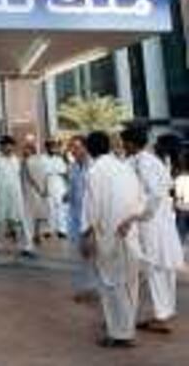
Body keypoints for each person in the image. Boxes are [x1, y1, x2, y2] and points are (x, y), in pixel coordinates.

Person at [81, 131, 145, 348]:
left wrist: (88, 235)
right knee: (129, 285)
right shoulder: (125, 167)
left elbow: (93, 206)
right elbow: (140, 199)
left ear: (89, 149)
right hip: (130, 232)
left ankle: (119, 334)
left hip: (108, 235)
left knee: (111, 286)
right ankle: (126, 330)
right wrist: (130, 220)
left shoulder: (95, 171)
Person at [120, 127, 184, 334]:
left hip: (152, 222)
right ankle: (163, 312)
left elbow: (156, 193)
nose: (122, 146)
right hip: (158, 220)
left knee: (155, 267)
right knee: (161, 268)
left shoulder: (145, 162)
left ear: (130, 143)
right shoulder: (147, 160)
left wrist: (141, 214)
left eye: (124, 142)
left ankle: (160, 315)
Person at [0, 136, 35, 257]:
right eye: (7, 145)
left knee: (20, 220)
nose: (10, 148)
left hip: (15, 195)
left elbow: (21, 176)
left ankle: (27, 246)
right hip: (0, 195)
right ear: (2, 146)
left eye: (11, 145)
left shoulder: (16, 160)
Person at [66, 135, 97, 303]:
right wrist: (67, 195)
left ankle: (95, 288)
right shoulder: (72, 168)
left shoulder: (95, 167)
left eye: (77, 147)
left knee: (94, 254)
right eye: (71, 147)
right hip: (77, 216)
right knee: (83, 254)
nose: (73, 151)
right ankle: (89, 288)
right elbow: (72, 190)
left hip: (93, 217)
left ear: (85, 147)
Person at [21, 142, 51, 243]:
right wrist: (45, 189)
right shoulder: (40, 160)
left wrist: (40, 189)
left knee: (30, 214)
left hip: (31, 190)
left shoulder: (27, 161)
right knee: (37, 213)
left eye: (26, 149)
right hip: (40, 190)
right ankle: (36, 233)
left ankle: (33, 234)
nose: (24, 151)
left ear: (30, 150)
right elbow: (46, 175)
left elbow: (30, 178)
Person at [45, 139, 70, 238]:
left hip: (59, 184)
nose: (53, 149)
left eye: (54, 147)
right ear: (46, 148)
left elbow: (65, 173)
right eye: (51, 147)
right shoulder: (43, 159)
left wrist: (67, 187)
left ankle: (62, 230)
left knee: (61, 206)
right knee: (49, 207)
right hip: (48, 183)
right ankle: (50, 229)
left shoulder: (59, 159)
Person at [175, 151, 189, 244]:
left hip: (183, 210)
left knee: (180, 238)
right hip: (183, 210)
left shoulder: (180, 178)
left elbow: (178, 197)